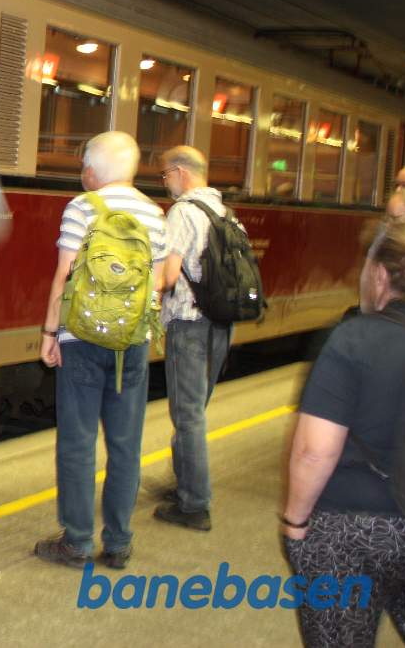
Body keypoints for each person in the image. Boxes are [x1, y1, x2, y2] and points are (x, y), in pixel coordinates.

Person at [34, 131, 168, 569]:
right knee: (126, 446)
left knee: (77, 443)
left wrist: (49, 334)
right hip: (131, 344)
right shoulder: (154, 214)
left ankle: (76, 541)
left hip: (82, 339)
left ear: (93, 170)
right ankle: (119, 542)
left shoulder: (81, 208)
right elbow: (162, 281)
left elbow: (63, 275)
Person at [281, 220, 405, 646]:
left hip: (348, 530)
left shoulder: (353, 339)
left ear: (380, 275)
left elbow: (314, 451)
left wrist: (295, 522)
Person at [153, 145, 235, 532]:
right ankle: (185, 483)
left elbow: (168, 275)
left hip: (188, 323)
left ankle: (194, 504)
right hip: (221, 323)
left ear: (181, 172)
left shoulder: (183, 212)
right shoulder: (224, 212)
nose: (165, 182)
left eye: (165, 175)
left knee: (187, 415)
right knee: (195, 410)